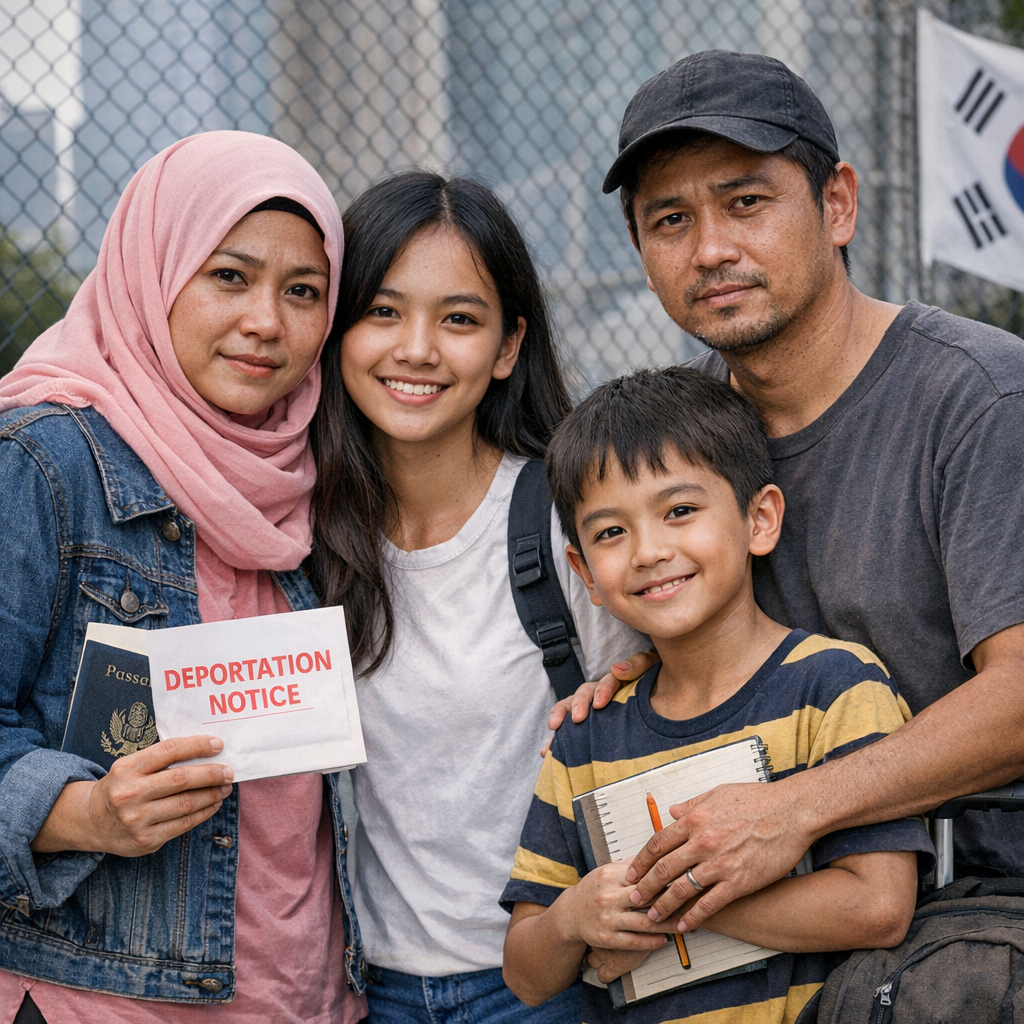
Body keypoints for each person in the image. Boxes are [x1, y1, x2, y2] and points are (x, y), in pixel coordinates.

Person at [554, 48, 1024, 936]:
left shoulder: (983, 396)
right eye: (670, 220)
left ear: (836, 203)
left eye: (747, 202)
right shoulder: (672, 440)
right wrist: (650, 671)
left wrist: (798, 808)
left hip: (978, 920)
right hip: (770, 936)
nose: (713, 250)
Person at [0, 131, 366, 1024]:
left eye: (304, 292)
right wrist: (83, 813)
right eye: (228, 277)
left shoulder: (315, 474)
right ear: (151, 270)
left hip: (311, 996)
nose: (267, 323)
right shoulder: (47, 463)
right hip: (107, 997)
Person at [308, 170, 644, 1024]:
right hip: (359, 987)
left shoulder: (567, 519)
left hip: (547, 985)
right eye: (382, 311)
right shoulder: (295, 532)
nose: (417, 348)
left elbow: (666, 702)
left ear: (506, 347)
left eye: (458, 319)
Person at [501, 366, 931, 1024]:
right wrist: (571, 919)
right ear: (584, 573)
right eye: (611, 531)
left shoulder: (833, 686)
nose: (648, 551)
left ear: (759, 519)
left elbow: (878, 906)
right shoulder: (586, 735)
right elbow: (526, 973)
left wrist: (669, 906)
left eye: (679, 511)